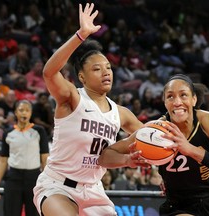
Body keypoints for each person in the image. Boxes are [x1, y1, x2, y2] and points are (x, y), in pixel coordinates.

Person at [32, 3, 143, 216]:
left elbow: (150, 137)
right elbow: (49, 72)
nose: (106, 72)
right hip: (58, 186)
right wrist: (80, 35)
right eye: (97, 68)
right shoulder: (72, 97)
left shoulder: (120, 113)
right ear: (82, 77)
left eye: (108, 67)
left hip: (94, 191)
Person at [99, 74, 209, 216]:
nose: (177, 102)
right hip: (179, 206)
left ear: (194, 99)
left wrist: (191, 150)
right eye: (170, 96)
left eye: (183, 95)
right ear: (164, 102)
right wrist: (127, 160)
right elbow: (104, 156)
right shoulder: (153, 131)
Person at [0, 100, 49, 216]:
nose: (24, 113)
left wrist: (47, 182)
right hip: (14, 178)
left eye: (27, 110)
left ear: (31, 113)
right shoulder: (8, 133)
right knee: (11, 212)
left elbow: (44, 158)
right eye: (21, 110)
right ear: (15, 113)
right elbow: (3, 160)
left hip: (34, 178)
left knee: (34, 213)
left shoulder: (39, 131)